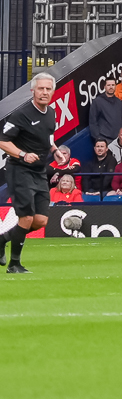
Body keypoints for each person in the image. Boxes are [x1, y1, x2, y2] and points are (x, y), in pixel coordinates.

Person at [0, 90, 50, 273]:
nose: (45, 92)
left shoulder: (50, 113)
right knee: (26, 217)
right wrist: (23, 154)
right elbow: (2, 141)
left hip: (39, 171)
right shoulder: (21, 114)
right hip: (19, 169)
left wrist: (56, 149)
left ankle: (2, 239)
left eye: (49, 88)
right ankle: (14, 264)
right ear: (33, 91)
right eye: (41, 88)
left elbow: (48, 137)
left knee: (40, 221)